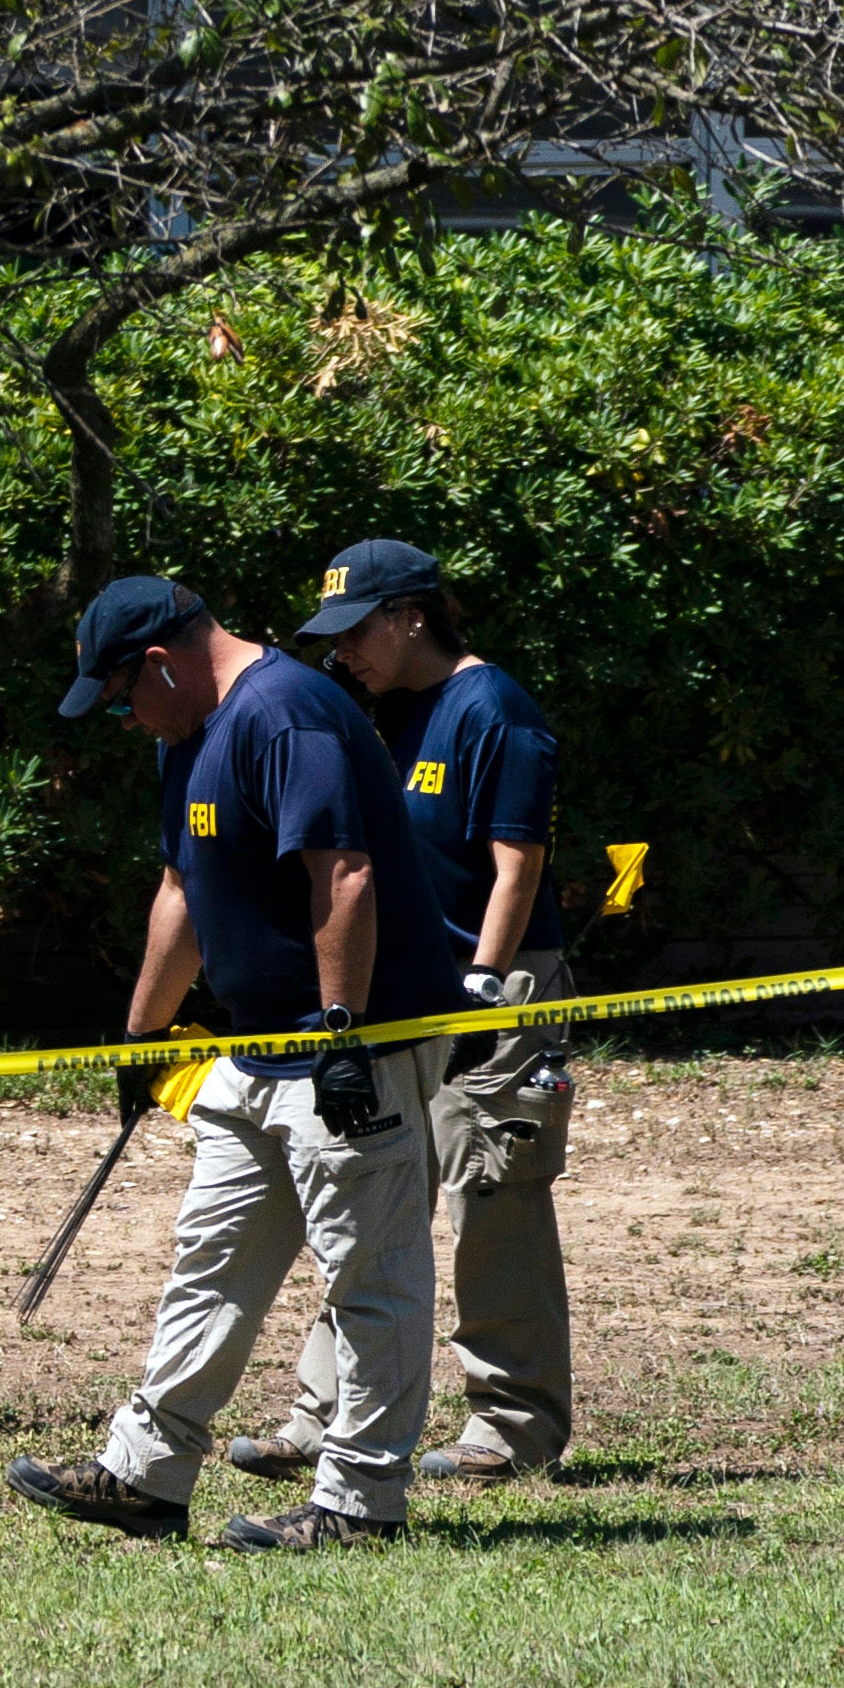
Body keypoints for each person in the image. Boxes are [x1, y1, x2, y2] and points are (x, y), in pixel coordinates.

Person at [7, 575, 461, 1552]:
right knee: (207, 1264)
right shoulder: (188, 737)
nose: (124, 719)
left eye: (125, 696)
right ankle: (146, 1473)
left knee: (370, 1280)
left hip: (350, 1050)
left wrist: (341, 1034)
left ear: (162, 662)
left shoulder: (285, 715)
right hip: (251, 1054)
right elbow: (181, 888)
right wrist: (141, 1037)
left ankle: (360, 1503)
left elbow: (342, 875)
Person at [239, 539, 575, 1485]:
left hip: (489, 988)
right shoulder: (383, 716)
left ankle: (511, 1425)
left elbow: (520, 865)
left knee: (490, 1199)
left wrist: (483, 982)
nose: (341, 653)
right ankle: (323, 1411)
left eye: (355, 632)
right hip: (406, 990)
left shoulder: (493, 709)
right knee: (368, 1191)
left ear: (411, 617)